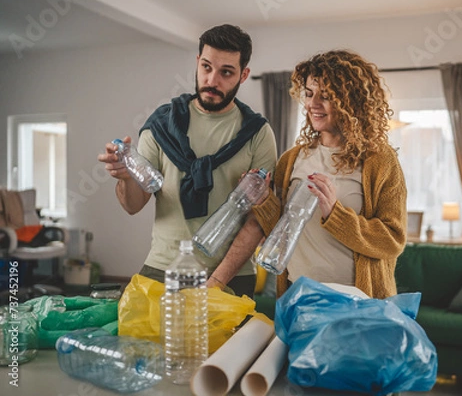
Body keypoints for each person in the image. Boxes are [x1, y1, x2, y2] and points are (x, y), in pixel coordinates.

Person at [97, 24, 277, 298]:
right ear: (197, 63)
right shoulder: (162, 125)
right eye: (206, 67)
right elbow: (133, 205)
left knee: (229, 344)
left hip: (231, 276)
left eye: (226, 72)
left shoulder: (257, 133)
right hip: (162, 268)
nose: (212, 80)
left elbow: (257, 221)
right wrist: (125, 177)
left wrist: (216, 281)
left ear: (244, 75)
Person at [252, 49, 408, 299]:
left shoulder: (379, 161)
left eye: (326, 96)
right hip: (298, 294)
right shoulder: (291, 159)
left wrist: (335, 213)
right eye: (310, 94)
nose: (313, 105)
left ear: (351, 101)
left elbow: (392, 240)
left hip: (357, 301)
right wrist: (262, 201)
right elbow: (282, 230)